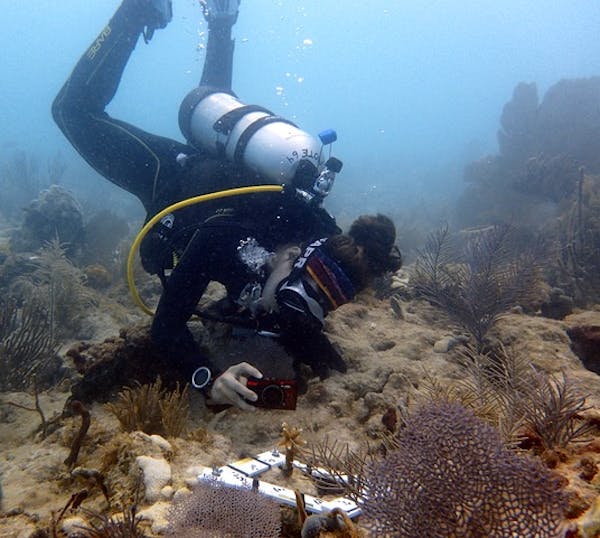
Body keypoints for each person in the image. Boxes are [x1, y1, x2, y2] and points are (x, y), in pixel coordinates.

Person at [52, 0, 401, 410]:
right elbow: (166, 326)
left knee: (217, 103)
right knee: (71, 112)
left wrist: (326, 363)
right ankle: (136, 12)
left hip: (231, 180)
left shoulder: (326, 249)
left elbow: (301, 324)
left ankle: (221, 20)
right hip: (174, 180)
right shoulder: (224, 237)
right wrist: (208, 378)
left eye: (314, 307)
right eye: (291, 294)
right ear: (291, 256)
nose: (284, 308)